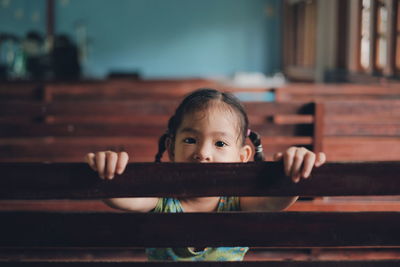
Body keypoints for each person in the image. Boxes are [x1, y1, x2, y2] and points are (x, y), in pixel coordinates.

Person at [85, 88, 326, 261]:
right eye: (191, 140)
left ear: (242, 157)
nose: (203, 153)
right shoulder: (161, 200)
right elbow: (120, 198)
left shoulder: (238, 204)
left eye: (220, 144)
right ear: (171, 148)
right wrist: (109, 171)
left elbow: (275, 201)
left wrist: (295, 169)